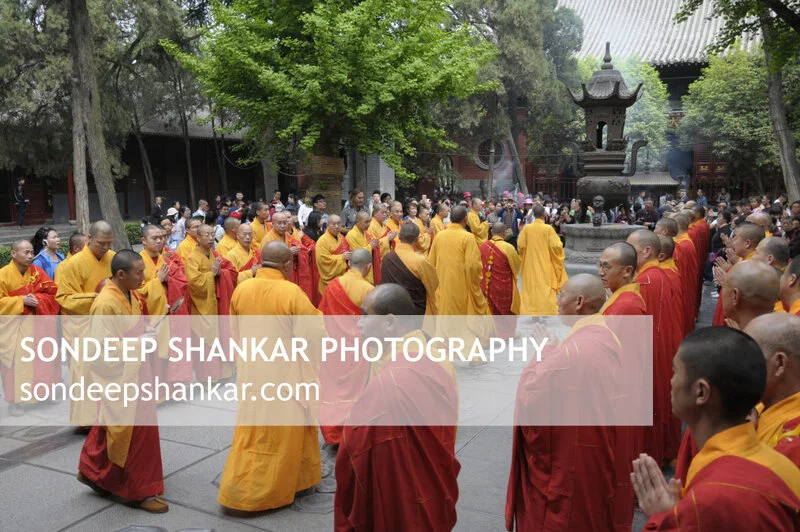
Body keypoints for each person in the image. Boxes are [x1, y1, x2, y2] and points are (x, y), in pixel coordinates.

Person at [633, 327, 800, 530]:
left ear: (701, 392)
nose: (670, 381)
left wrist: (662, 517)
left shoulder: (714, 497)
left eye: (675, 371)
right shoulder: (780, 464)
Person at [334, 284, 460, 531]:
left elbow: (355, 445)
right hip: (432, 479)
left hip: (400, 485)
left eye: (365, 315)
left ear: (390, 322)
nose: (359, 323)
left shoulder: (394, 378)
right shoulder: (435, 355)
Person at [506, 274, 619, 531]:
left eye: (562, 295)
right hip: (595, 446)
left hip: (571, 458)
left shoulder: (573, 351)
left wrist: (544, 352)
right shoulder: (602, 333)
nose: (558, 300)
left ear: (579, 302)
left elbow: (531, 393)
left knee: (564, 516)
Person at [218, 241, 323, 512]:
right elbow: (312, 334)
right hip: (285, 375)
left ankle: (297, 480)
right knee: (282, 433)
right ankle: (260, 493)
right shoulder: (291, 292)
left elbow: (236, 331)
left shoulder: (242, 289)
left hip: (253, 372)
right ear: (288, 265)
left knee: (254, 430)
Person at [77, 250, 168, 513]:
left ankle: (93, 472)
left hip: (135, 369)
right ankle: (141, 491)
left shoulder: (129, 293)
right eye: (139, 273)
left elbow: (129, 327)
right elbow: (99, 350)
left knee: (112, 428)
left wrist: (144, 331)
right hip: (119, 374)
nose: (144, 277)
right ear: (121, 274)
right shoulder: (106, 303)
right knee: (137, 433)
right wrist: (137, 342)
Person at [627, 229, 684, 464]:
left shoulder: (646, 281)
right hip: (665, 348)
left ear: (647, 251)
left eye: (632, 250)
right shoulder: (661, 274)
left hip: (652, 354)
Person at [55, 221, 116, 426]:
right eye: (101, 243)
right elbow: (64, 298)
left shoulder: (114, 259)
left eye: (109, 243)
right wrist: (98, 298)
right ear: (89, 238)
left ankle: (111, 416)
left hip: (110, 325)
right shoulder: (72, 264)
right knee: (85, 373)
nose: (106, 247)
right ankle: (87, 420)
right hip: (82, 327)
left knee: (111, 370)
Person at [317, 248, 374, 445]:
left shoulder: (333, 286)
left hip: (333, 348)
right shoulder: (368, 290)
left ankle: (333, 433)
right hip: (357, 349)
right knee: (355, 391)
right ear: (368, 267)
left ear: (349, 264)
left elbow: (321, 315)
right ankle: (351, 433)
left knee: (333, 390)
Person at [0, 240, 60, 416]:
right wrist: (20, 301)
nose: (30, 256)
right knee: (16, 365)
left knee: (42, 360)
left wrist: (38, 300)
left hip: (38, 326)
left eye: (32, 252)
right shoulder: (3, 275)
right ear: (13, 254)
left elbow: (53, 293)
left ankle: (43, 394)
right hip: (14, 328)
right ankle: (15, 401)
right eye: (25, 252)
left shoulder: (37, 272)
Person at [136, 224, 192, 385]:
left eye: (162, 237)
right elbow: (135, 292)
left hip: (169, 316)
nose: (159, 241)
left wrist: (168, 280)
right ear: (144, 240)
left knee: (171, 353)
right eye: (154, 238)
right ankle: (156, 395)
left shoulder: (166, 260)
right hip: (151, 318)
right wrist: (157, 281)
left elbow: (182, 282)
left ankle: (172, 390)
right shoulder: (137, 262)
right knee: (154, 357)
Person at [744, 313, 800, 465]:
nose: (737, 364)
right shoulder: (761, 403)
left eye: (746, 355)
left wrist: (744, 442)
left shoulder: (793, 443)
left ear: (779, 364)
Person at [184, 224, 238, 381]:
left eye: (212, 234)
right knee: (206, 343)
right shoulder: (192, 258)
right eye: (206, 235)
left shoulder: (214, 254)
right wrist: (212, 274)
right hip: (202, 307)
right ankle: (208, 378)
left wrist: (221, 273)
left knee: (220, 337)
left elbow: (232, 271)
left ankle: (223, 374)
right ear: (198, 238)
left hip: (216, 304)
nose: (210, 237)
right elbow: (194, 284)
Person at [711, 222, 766, 326]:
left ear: (747, 243)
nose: (731, 241)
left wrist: (727, 283)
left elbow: (747, 300)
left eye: (735, 237)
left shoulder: (753, 267)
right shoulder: (744, 261)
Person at [518, 205, 567, 315]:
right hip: (545, 262)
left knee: (531, 286)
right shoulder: (548, 229)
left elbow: (520, 245)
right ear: (544, 215)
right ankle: (545, 311)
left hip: (530, 263)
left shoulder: (527, 229)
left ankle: (532, 311)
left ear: (534, 215)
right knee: (545, 286)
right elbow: (556, 246)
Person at [380, 223, 438, 316]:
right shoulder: (420, 261)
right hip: (414, 312)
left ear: (399, 236)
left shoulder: (387, 258)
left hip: (391, 311)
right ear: (416, 239)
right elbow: (434, 284)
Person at [264, 211, 318, 302]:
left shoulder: (287, 235)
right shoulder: (268, 239)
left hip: (289, 273)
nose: (282, 226)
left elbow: (301, 247)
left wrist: (301, 251)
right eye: (279, 223)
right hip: (275, 276)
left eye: (284, 223)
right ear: (272, 224)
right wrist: (289, 252)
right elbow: (268, 260)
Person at [480, 222, 521, 319]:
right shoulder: (508, 248)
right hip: (503, 287)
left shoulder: (483, 246)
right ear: (505, 233)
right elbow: (516, 266)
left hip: (485, 286)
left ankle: (489, 331)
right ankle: (505, 332)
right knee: (505, 311)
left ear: (491, 232)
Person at [315, 214, 351, 296]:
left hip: (343, 279)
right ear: (327, 225)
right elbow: (323, 261)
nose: (336, 226)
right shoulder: (322, 241)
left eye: (338, 223)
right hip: (329, 283)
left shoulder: (341, 237)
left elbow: (348, 250)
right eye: (333, 224)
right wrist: (342, 257)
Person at [345, 211, 381, 284]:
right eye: (366, 222)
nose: (368, 224)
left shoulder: (366, 233)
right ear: (358, 222)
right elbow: (356, 255)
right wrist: (370, 246)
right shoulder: (351, 235)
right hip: (359, 270)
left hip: (368, 267)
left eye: (369, 222)